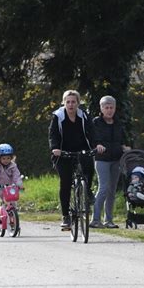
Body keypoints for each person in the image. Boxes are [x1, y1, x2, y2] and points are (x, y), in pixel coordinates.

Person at [48, 90, 105, 229]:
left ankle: (87, 191)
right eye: (68, 102)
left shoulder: (84, 115)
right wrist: (55, 148)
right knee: (66, 182)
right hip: (63, 152)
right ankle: (66, 216)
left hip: (81, 149)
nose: (71, 104)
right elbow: (53, 134)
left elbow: (92, 132)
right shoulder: (58, 116)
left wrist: (97, 144)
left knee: (89, 167)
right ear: (64, 103)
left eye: (74, 102)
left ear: (78, 103)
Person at [90, 96, 131, 229]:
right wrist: (97, 145)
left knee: (112, 190)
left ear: (115, 108)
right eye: (106, 107)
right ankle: (95, 219)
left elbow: (124, 139)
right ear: (101, 108)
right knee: (103, 187)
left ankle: (108, 220)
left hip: (116, 159)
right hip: (102, 159)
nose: (109, 110)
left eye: (111, 107)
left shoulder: (118, 123)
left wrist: (126, 147)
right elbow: (92, 139)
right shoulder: (96, 122)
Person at [0, 143, 23, 216]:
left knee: (13, 199)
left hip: (9, 186)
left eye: (8, 158)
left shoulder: (13, 166)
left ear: (11, 158)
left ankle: (14, 213)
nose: (6, 160)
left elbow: (16, 176)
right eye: (3, 158)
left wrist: (19, 184)